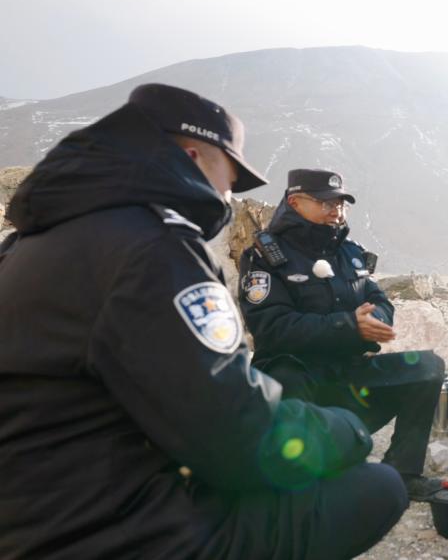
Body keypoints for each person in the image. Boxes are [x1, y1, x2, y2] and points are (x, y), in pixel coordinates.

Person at [0, 84, 407, 559]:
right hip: (108, 529)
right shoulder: (153, 247)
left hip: (42, 508)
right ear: (193, 156)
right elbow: (233, 430)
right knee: (376, 488)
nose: (228, 197)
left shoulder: (34, 242)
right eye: (229, 178)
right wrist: (345, 431)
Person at [238, 168, 446, 500]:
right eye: (325, 202)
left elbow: (379, 301)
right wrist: (348, 325)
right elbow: (272, 328)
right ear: (295, 202)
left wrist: (372, 320)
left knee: (428, 367)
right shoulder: (265, 257)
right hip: (297, 380)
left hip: (348, 373)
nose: (336, 210)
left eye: (340, 203)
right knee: (285, 376)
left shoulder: (349, 253)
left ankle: (403, 473)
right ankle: (299, 482)